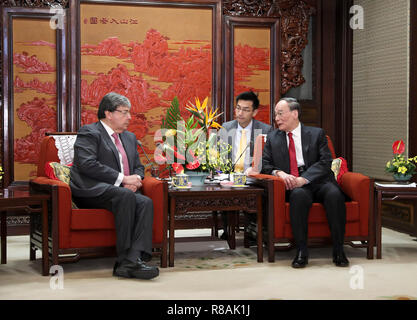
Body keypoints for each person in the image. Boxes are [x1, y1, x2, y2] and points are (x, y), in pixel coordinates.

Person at [70, 92, 159, 280]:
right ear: (108, 113)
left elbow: (138, 166)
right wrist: (123, 180)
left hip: (119, 191)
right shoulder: (89, 132)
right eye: (124, 112)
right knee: (125, 196)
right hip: (92, 190)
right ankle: (123, 259)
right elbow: (87, 164)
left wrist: (135, 180)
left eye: (129, 113)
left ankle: (132, 261)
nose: (129, 117)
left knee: (145, 202)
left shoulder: (129, 137)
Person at [262, 97, 349, 268]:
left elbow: (325, 162)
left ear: (294, 113)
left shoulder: (317, 134)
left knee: (334, 195)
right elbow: (265, 165)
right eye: (275, 114)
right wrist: (280, 173)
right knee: (299, 197)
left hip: (319, 181)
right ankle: (302, 250)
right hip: (293, 183)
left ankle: (339, 249)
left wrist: (305, 178)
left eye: (280, 113)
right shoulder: (273, 137)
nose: (276, 118)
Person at [219, 91, 273, 239]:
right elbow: (219, 155)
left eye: (246, 109)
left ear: (254, 112)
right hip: (230, 175)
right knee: (222, 188)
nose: (240, 113)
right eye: (238, 108)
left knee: (258, 192)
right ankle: (227, 229)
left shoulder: (265, 130)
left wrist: (254, 171)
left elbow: (268, 158)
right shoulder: (226, 127)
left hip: (253, 176)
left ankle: (253, 229)